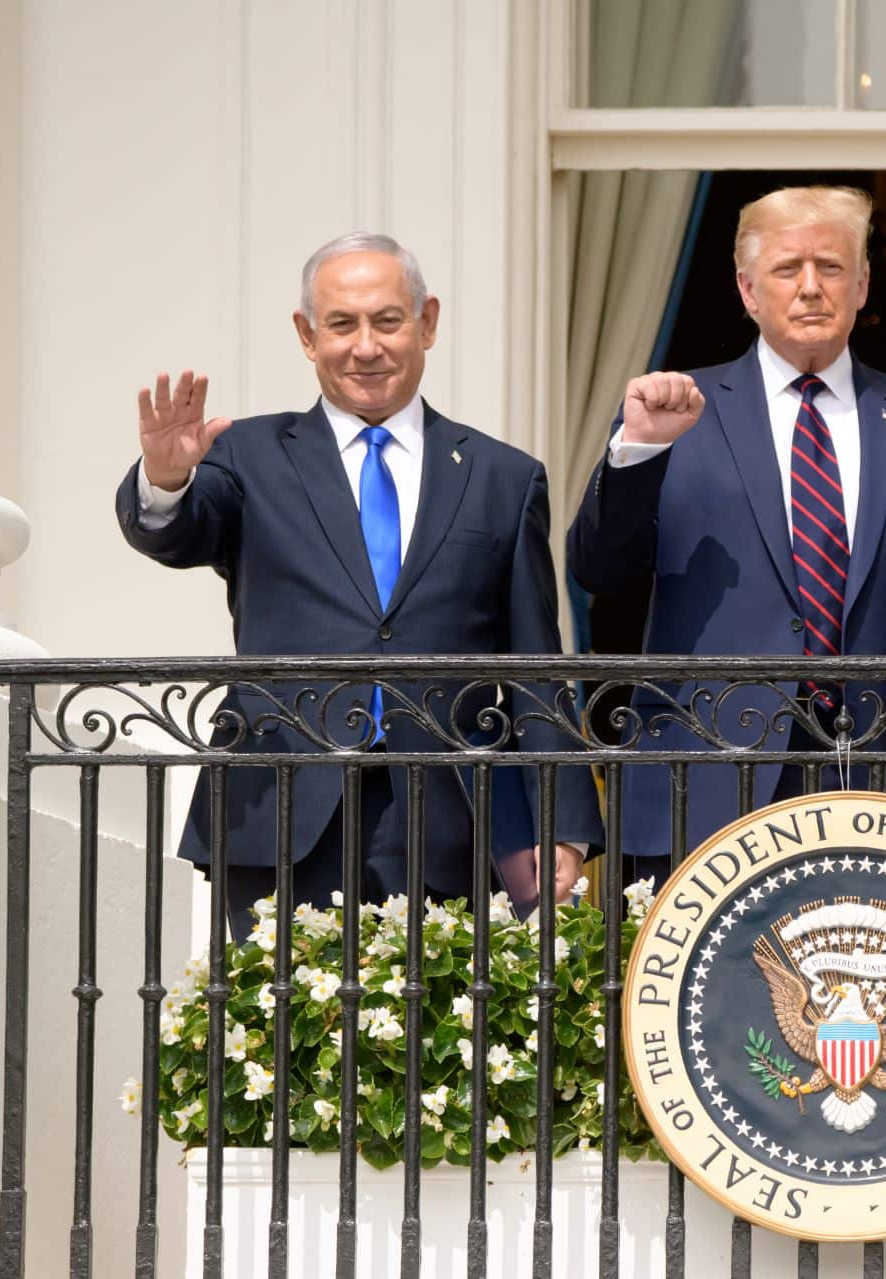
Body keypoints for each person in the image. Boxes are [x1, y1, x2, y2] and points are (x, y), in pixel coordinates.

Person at [117, 231, 601, 936]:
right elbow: (179, 533)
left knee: (445, 1042)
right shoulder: (246, 455)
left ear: (426, 323)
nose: (365, 346)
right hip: (281, 808)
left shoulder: (503, 477)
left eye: (387, 320)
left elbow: (534, 665)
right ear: (307, 336)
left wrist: (561, 820)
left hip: (451, 819)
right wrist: (166, 480)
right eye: (341, 325)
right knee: (281, 1039)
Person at [567, 185, 886, 880]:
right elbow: (597, 571)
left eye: (830, 268)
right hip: (702, 785)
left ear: (861, 285)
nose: (810, 289)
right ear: (747, 290)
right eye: (786, 269)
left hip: (880, 787)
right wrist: (638, 453)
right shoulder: (676, 413)